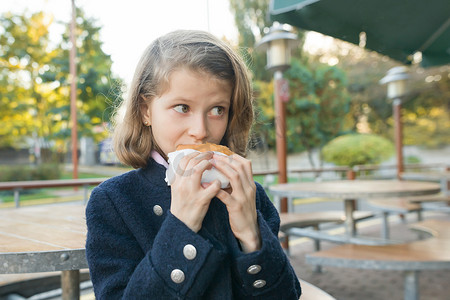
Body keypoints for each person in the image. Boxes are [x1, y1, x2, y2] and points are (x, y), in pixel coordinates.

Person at [85, 29, 302, 299]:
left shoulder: (250, 194)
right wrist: (181, 225)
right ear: (145, 110)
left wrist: (251, 233)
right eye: (182, 107)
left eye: (217, 110)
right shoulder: (113, 202)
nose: (200, 130)